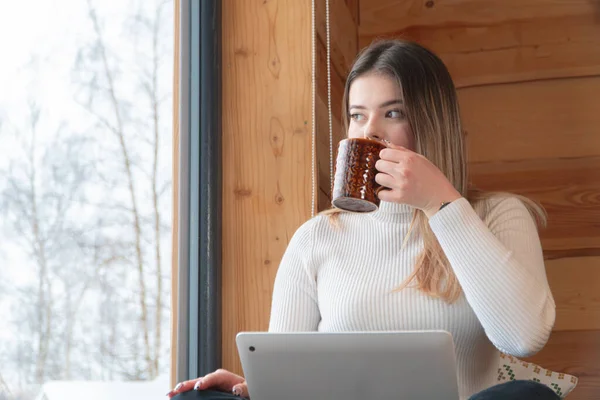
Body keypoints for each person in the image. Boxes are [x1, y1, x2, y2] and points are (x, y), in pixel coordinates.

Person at [168, 39, 558, 400]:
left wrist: (442, 203)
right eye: (357, 115)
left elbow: (522, 337)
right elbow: (286, 374)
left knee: (529, 397)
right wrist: (257, 388)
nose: (370, 130)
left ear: (432, 124)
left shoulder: (496, 216)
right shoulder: (317, 238)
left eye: (393, 112)